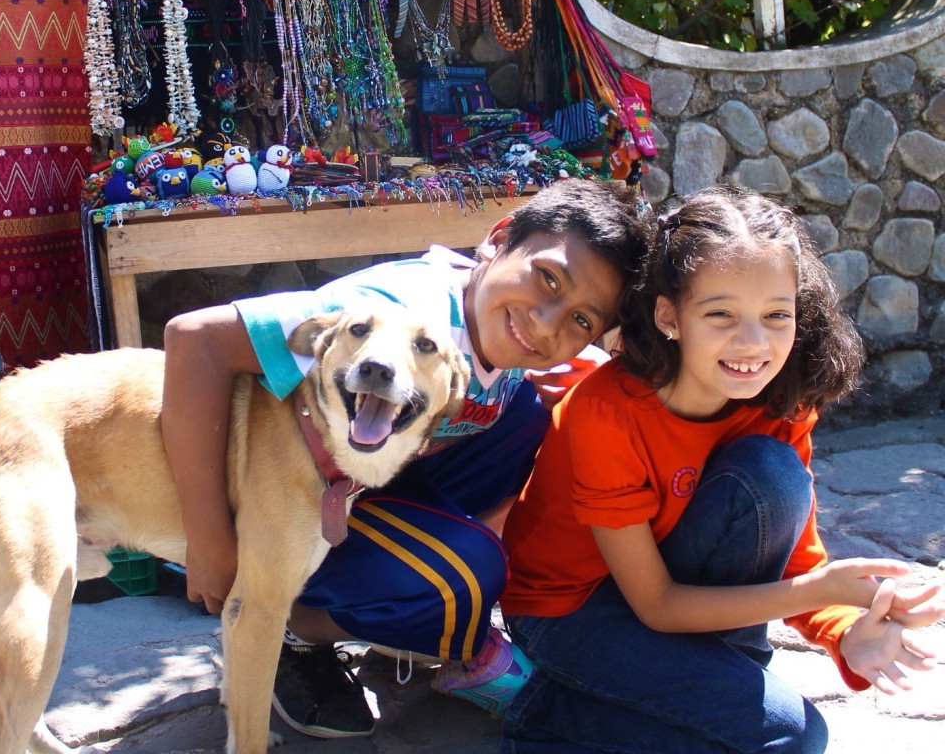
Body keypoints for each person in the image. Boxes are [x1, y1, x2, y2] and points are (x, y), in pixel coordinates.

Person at [160, 177, 655, 739]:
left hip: (362, 476)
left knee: (534, 415)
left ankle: (412, 585)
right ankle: (290, 624)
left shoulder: (499, 322)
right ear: (496, 240)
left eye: (581, 320)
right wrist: (210, 538)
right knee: (466, 575)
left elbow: (561, 361)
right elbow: (194, 338)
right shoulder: (396, 312)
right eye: (546, 279)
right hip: (277, 507)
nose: (547, 322)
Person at [500, 185, 945, 754]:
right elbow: (656, 604)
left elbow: (795, 551)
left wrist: (843, 630)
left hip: (670, 584)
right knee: (795, 737)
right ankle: (551, 714)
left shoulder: (781, 400)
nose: (753, 342)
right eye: (721, 314)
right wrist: (814, 592)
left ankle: (706, 678)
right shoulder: (605, 413)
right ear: (669, 315)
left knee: (772, 472)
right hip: (567, 610)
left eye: (776, 315)